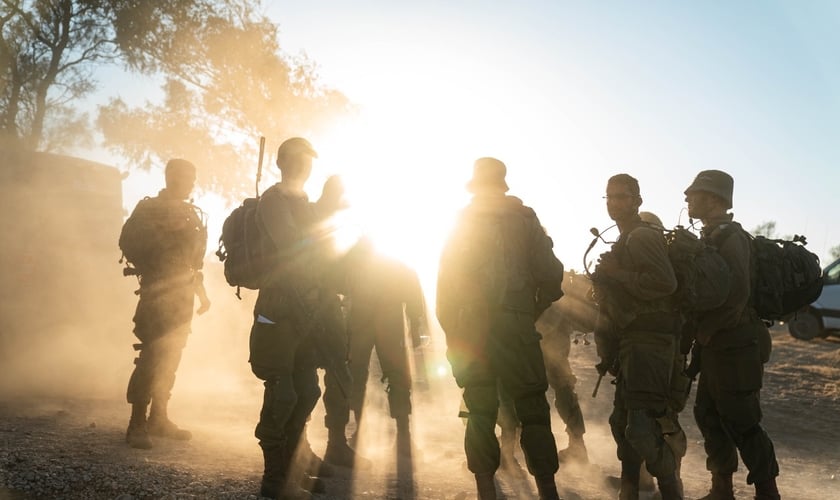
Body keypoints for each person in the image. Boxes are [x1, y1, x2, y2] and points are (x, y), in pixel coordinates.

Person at [437, 157, 564, 500]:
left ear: (475, 185)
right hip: (516, 325)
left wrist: (455, 335)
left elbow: (445, 289)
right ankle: (547, 492)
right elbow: (553, 278)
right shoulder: (526, 220)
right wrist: (524, 312)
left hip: (472, 328)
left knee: (479, 411)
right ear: (503, 183)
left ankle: (485, 493)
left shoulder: (462, 221)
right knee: (533, 410)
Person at [248, 137, 345, 499]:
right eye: (299, 161)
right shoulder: (274, 201)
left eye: (308, 161)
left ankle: (291, 467)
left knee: (307, 390)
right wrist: (325, 212)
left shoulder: (304, 202)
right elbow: (293, 242)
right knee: (283, 393)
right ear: (283, 163)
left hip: (307, 309)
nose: (305, 167)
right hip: (278, 309)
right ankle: (273, 480)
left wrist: (328, 203)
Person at [683, 170, 780, 500]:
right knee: (708, 413)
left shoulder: (732, 238)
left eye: (695, 193)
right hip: (718, 346)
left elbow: (738, 295)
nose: (687, 197)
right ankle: (721, 489)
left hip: (737, 344)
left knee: (742, 420)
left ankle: (768, 492)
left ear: (714, 199)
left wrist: (708, 330)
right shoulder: (710, 236)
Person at [590, 174, 683, 500]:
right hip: (632, 345)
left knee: (643, 430)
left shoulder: (641, 237)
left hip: (651, 344)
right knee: (623, 426)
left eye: (622, 197)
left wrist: (618, 274)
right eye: (609, 197)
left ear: (637, 201)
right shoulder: (624, 239)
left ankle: (671, 492)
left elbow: (665, 283)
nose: (615, 203)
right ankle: (631, 492)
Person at [120, 158, 211, 450]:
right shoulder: (149, 210)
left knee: (171, 357)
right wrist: (159, 242)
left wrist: (202, 294)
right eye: (186, 178)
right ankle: (137, 423)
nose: (190, 184)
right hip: (157, 294)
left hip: (182, 297)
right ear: (171, 177)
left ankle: (159, 418)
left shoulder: (191, 214)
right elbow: (127, 243)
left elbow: (192, 264)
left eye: (192, 179)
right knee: (151, 356)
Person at [341, 238, 428, 459]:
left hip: (362, 320)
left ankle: (367, 433)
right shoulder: (395, 261)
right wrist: (415, 324)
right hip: (387, 322)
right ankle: (402, 437)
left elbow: (339, 284)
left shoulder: (355, 256)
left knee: (357, 375)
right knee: (395, 376)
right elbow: (413, 290)